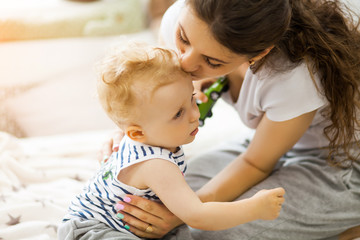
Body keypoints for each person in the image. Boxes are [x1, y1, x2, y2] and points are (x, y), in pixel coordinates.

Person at [99, 0, 360, 239]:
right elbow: (149, 99)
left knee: (207, 231)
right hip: (274, 145)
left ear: (259, 54)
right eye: (183, 38)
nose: (185, 62)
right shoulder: (181, 18)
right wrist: (128, 131)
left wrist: (189, 214)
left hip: (342, 161)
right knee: (160, 199)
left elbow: (256, 164)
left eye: (212, 61)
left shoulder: (292, 76)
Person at [58, 42, 285, 240]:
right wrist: (254, 209)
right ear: (137, 134)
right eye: (178, 113)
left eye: (192, 99)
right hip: (91, 232)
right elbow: (198, 216)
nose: (195, 115)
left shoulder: (148, 134)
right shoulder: (156, 165)